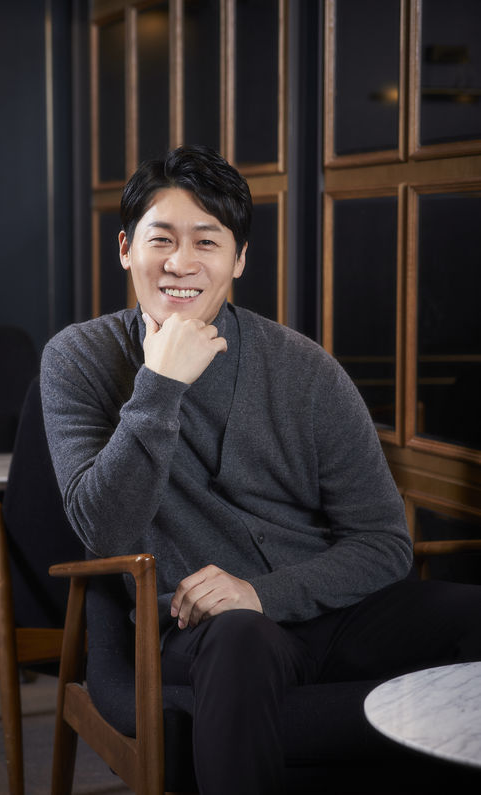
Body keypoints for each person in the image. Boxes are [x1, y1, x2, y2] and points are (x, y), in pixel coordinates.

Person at [40, 144, 481, 794]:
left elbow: (384, 543)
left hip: (330, 614)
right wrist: (160, 383)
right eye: (161, 239)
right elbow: (104, 528)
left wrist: (263, 592)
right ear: (126, 248)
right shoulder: (79, 358)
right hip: (203, 630)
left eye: (207, 241)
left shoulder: (304, 368)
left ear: (239, 259)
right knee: (241, 639)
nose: (181, 263)